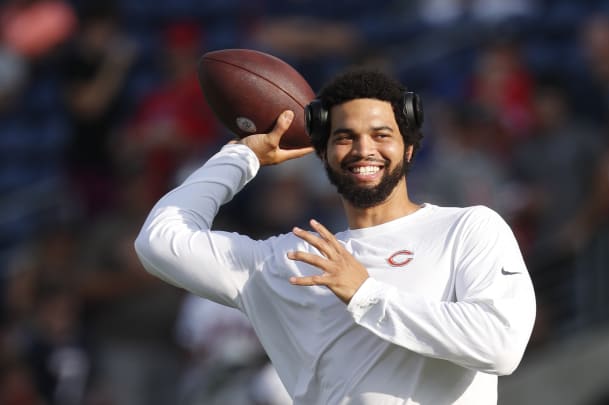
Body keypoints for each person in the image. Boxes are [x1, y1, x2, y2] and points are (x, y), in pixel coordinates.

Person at [134, 68, 536, 404]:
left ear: (409, 148)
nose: (364, 149)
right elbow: (159, 240)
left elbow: (501, 346)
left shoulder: (468, 229)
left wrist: (366, 294)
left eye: (382, 135)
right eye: (345, 137)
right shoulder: (287, 260)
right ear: (322, 153)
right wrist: (242, 157)